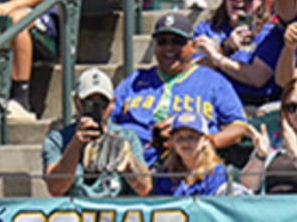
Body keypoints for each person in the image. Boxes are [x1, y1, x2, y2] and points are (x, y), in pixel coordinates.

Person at [113, 10, 251, 165]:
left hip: (191, 165)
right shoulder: (135, 80)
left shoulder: (213, 81)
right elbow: (108, 118)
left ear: (193, 46)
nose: (169, 48)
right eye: (162, 42)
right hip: (132, 162)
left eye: (177, 41)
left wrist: (203, 142)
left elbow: (239, 126)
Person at [44, 68, 153, 196]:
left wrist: (127, 158)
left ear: (112, 104)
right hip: (77, 206)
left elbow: (145, 188)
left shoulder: (127, 137)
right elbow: (55, 188)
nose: (97, 109)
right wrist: (75, 145)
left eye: (103, 103)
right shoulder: (58, 139)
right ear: (77, 102)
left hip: (114, 206)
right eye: (88, 103)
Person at [150, 110, 233, 195]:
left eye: (192, 137)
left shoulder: (216, 172)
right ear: (172, 142)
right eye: (179, 138)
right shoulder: (167, 172)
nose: (185, 143)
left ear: (205, 140)